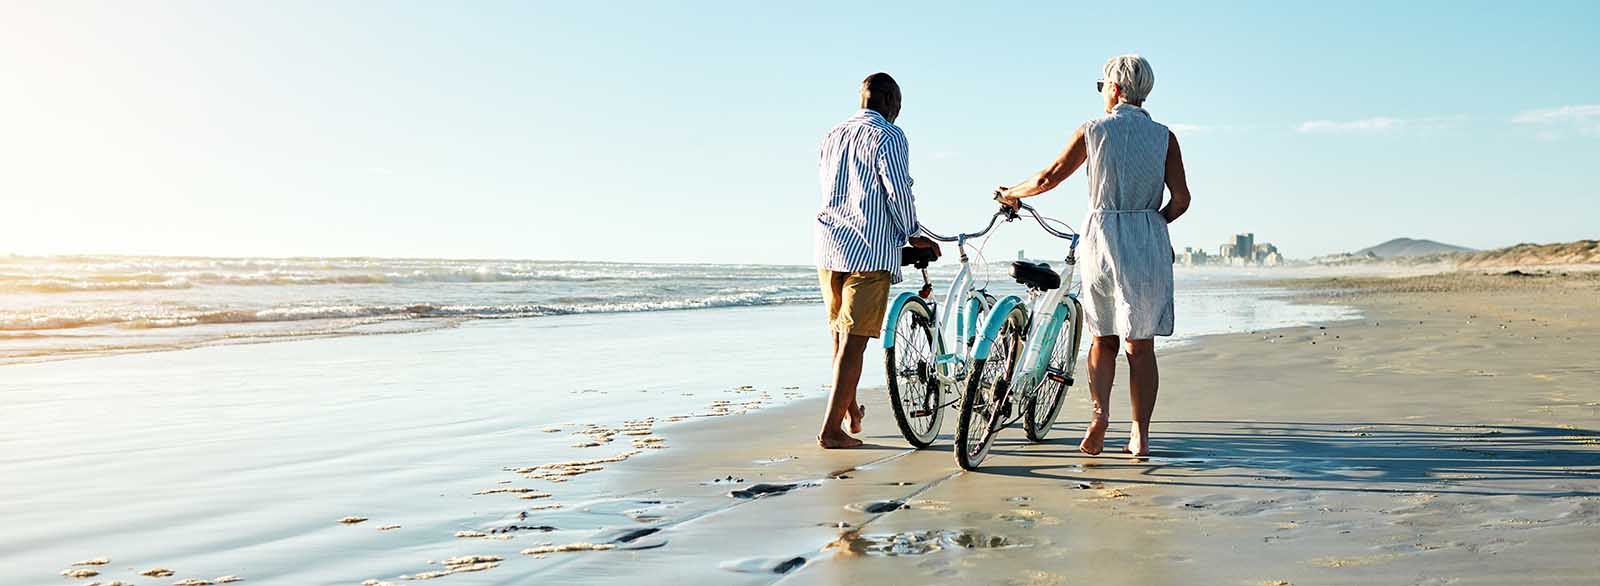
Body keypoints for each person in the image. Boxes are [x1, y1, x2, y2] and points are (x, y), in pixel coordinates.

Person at [994, 55, 1192, 457]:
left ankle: (1099, 417)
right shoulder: (1165, 137)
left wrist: (1011, 193)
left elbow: (1048, 177)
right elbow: (1182, 200)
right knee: (1141, 345)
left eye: (1102, 86)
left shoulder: (1094, 130)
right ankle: (1139, 434)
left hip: (1101, 239)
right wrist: (1153, 224)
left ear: (1115, 89)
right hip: (1145, 240)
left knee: (1103, 339)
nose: (1102, 93)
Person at [814, 72, 941, 449]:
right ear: (886, 99)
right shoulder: (887, 134)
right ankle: (831, 431)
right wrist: (913, 231)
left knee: (840, 336)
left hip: (828, 246)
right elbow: (896, 188)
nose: (898, 113)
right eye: (898, 105)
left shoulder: (832, 135)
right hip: (868, 251)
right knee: (855, 343)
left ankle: (850, 413)